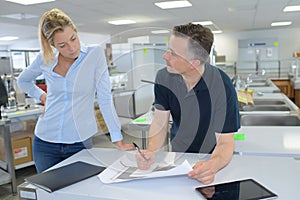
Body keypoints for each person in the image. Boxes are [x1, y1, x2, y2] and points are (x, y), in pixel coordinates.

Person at [17, 8, 134, 173]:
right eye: (62, 45)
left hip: (79, 142)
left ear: (76, 32)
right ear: (53, 45)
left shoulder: (94, 55)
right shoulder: (45, 59)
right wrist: (42, 96)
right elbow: (23, 80)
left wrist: (117, 139)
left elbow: (105, 99)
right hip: (45, 142)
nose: (71, 48)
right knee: (49, 195)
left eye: (73, 39)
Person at [136, 23, 240, 184]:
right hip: (178, 154)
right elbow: (159, 122)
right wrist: (151, 151)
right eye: (167, 49)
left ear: (193, 63)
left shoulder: (222, 86)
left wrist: (212, 165)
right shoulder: (164, 77)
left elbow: (225, 142)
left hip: (213, 156)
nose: (165, 56)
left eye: (173, 54)